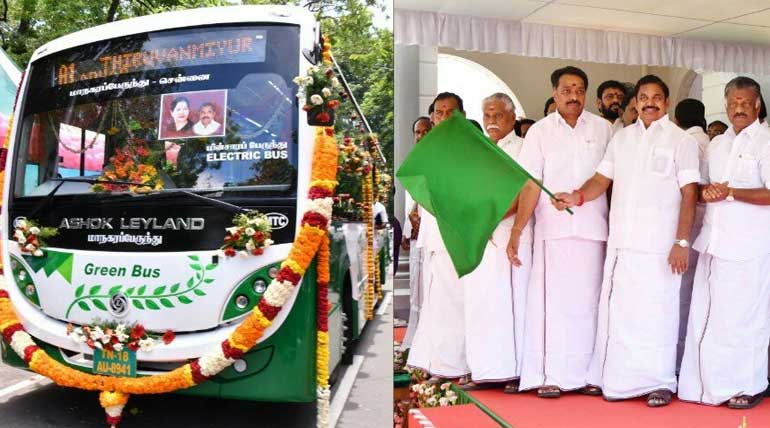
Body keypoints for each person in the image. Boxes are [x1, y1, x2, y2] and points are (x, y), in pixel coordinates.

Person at [554, 75, 699, 406]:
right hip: (623, 243)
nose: (650, 103)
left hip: (662, 247)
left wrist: (681, 242)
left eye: (657, 97)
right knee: (621, 314)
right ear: (635, 103)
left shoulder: (681, 141)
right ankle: (619, 381)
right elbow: (600, 180)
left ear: (667, 102)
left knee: (659, 314)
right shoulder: (621, 139)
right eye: (643, 97)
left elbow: (690, 193)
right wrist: (576, 197)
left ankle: (660, 381)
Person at [506, 66, 612, 398]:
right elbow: (530, 184)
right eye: (566, 90)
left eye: (579, 90)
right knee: (553, 306)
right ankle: (552, 375)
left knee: (590, 304)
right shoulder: (539, 132)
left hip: (592, 228)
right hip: (552, 231)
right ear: (555, 93)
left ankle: (590, 375)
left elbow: (610, 180)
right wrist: (517, 229)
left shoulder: (604, 128)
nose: (573, 96)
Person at [679, 76, 770, 409]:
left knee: (745, 320)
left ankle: (748, 385)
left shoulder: (766, 142)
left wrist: (730, 192)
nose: (738, 108)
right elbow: (703, 188)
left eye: (745, 103)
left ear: (757, 105)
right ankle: (704, 386)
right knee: (708, 317)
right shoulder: (717, 144)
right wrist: (710, 191)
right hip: (713, 244)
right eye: (733, 103)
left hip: (749, 247)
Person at [460, 93, 532, 394]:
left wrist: (490, 219)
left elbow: (523, 190)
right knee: (482, 300)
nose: (491, 121)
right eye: (487, 115)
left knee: (513, 302)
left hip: (510, 232)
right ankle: (484, 369)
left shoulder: (523, 148)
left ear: (512, 118)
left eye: (498, 115)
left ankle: (515, 371)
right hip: (480, 235)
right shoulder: (478, 150)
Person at [407, 92, 470, 383]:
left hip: (457, 234)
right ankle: (440, 365)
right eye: (439, 113)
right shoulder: (428, 149)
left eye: (449, 112)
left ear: (462, 116)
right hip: (433, 236)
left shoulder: (469, 147)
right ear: (433, 118)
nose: (444, 117)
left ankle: (459, 365)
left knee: (457, 301)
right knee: (437, 303)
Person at [673, 98, 710, 371]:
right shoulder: (710, 142)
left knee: (681, 293)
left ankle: (679, 358)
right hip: (703, 225)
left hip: (686, 224)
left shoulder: (684, 142)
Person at [401, 116, 432, 351]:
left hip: (430, 232)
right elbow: (409, 200)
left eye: (425, 131)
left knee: (430, 289)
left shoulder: (438, 159)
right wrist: (407, 229)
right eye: (417, 132)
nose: (420, 136)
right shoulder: (413, 160)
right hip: (415, 233)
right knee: (416, 288)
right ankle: (415, 341)